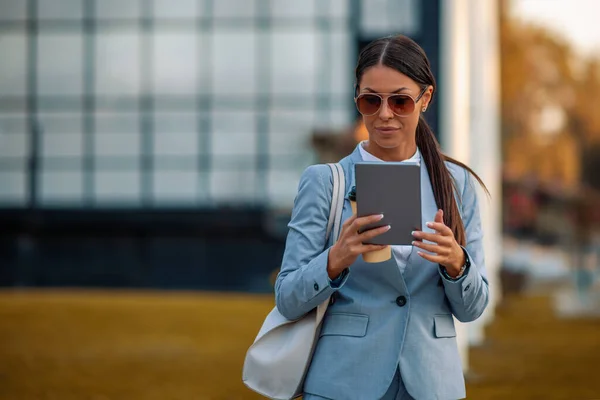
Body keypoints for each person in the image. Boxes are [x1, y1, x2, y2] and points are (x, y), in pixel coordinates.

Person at [275, 34, 490, 400]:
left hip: (432, 384)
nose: (385, 114)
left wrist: (457, 263)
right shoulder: (325, 182)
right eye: (371, 100)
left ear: (426, 98)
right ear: (357, 99)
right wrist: (334, 260)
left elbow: (473, 309)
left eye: (401, 101)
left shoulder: (457, 185)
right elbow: (288, 298)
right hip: (344, 382)